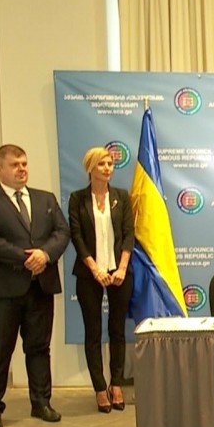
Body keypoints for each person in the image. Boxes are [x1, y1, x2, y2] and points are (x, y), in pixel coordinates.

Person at [0, 144, 70, 427]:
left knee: (39, 348)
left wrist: (45, 254)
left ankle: (41, 402)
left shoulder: (45, 199)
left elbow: (62, 232)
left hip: (40, 287)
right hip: (2, 290)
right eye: (15, 164)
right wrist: (26, 257)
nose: (22, 169)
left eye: (24, 163)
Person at [68, 147, 134, 413]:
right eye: (101, 164)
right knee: (93, 331)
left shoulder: (121, 196)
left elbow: (129, 234)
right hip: (89, 273)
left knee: (117, 330)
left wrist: (122, 267)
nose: (107, 168)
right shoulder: (77, 198)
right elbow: (77, 236)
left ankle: (116, 384)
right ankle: (99, 387)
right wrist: (95, 269)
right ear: (90, 168)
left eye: (110, 164)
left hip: (120, 273)